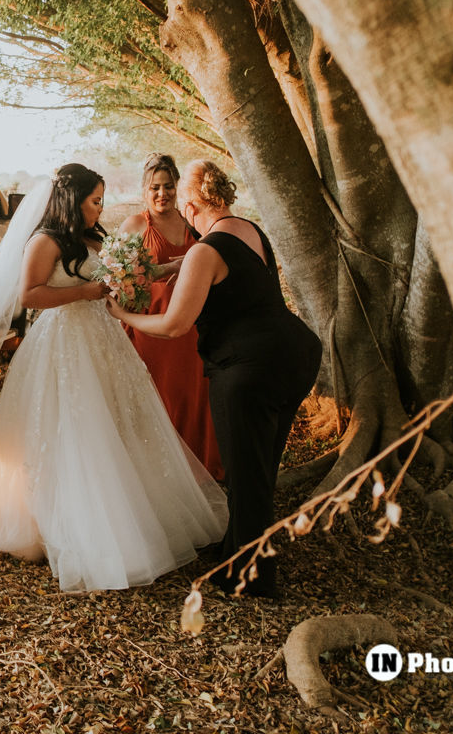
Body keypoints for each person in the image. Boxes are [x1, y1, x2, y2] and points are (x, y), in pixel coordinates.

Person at [0, 164, 227, 592]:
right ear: (73, 200)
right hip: (63, 343)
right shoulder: (45, 240)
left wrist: (171, 267)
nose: (99, 208)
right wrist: (84, 293)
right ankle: (69, 519)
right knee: (73, 426)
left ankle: (126, 509)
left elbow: (119, 277)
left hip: (103, 341)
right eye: (95, 201)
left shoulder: (93, 238)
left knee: (113, 423)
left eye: (101, 200)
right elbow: (29, 294)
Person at [108, 160, 322, 598]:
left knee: (245, 475)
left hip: (248, 368)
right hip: (297, 354)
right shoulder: (248, 231)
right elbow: (220, 265)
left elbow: (174, 325)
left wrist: (124, 316)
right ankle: (235, 550)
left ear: (190, 205)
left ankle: (251, 579)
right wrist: (167, 270)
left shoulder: (205, 251)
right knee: (260, 467)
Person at [119, 153, 224, 480]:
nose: (162, 193)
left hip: (193, 327)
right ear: (145, 189)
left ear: (177, 187)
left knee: (194, 395)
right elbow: (118, 280)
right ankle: (163, 476)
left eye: (168, 186)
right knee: (161, 398)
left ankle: (200, 470)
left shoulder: (192, 223)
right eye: (155, 188)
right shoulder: (135, 226)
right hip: (152, 331)